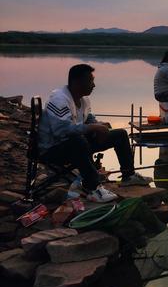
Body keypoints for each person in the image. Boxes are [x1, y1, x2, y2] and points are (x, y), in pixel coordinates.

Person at [38, 64, 152, 203]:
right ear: (77, 82)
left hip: (76, 145)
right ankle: (92, 188)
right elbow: (62, 131)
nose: (94, 85)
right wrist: (93, 128)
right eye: (90, 81)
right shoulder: (59, 99)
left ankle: (129, 176)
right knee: (79, 141)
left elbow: (88, 118)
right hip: (53, 149)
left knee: (120, 134)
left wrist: (99, 125)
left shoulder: (83, 99)